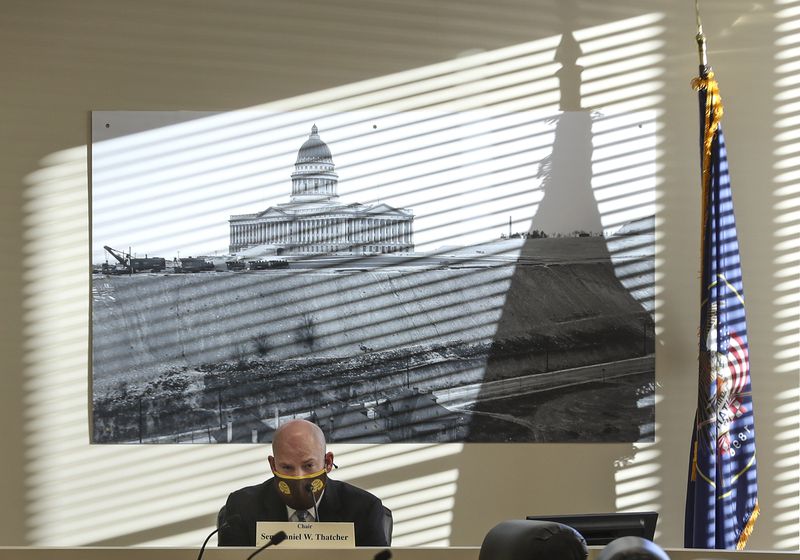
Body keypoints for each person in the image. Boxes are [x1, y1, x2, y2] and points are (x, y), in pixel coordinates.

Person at [218, 419, 390, 547]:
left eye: (308, 466)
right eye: (287, 467)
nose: (299, 477)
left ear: (328, 462)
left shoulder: (363, 509)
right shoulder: (242, 508)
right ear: (273, 465)